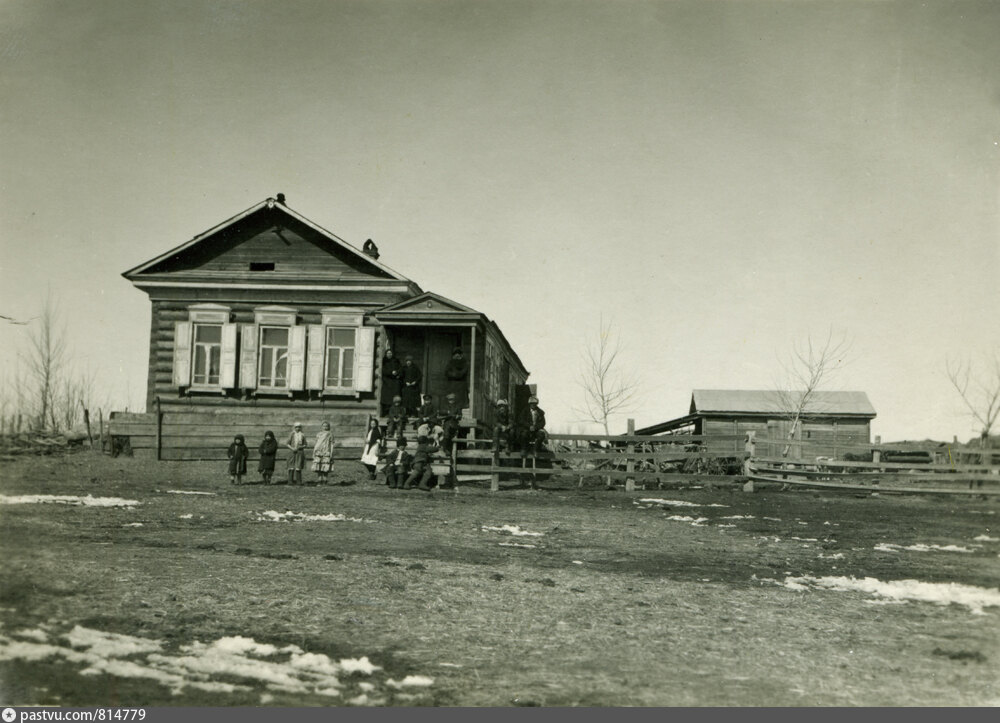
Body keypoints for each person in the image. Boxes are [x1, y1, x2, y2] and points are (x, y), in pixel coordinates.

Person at [380, 348, 403, 416]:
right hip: (387, 382)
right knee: (386, 398)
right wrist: (391, 372)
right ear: (386, 354)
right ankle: (386, 412)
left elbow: (400, 369)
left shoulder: (396, 361)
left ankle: (396, 412)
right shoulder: (384, 361)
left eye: (390, 353)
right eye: (388, 353)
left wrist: (397, 372)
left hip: (394, 382)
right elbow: (383, 371)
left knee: (395, 397)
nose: (389, 354)